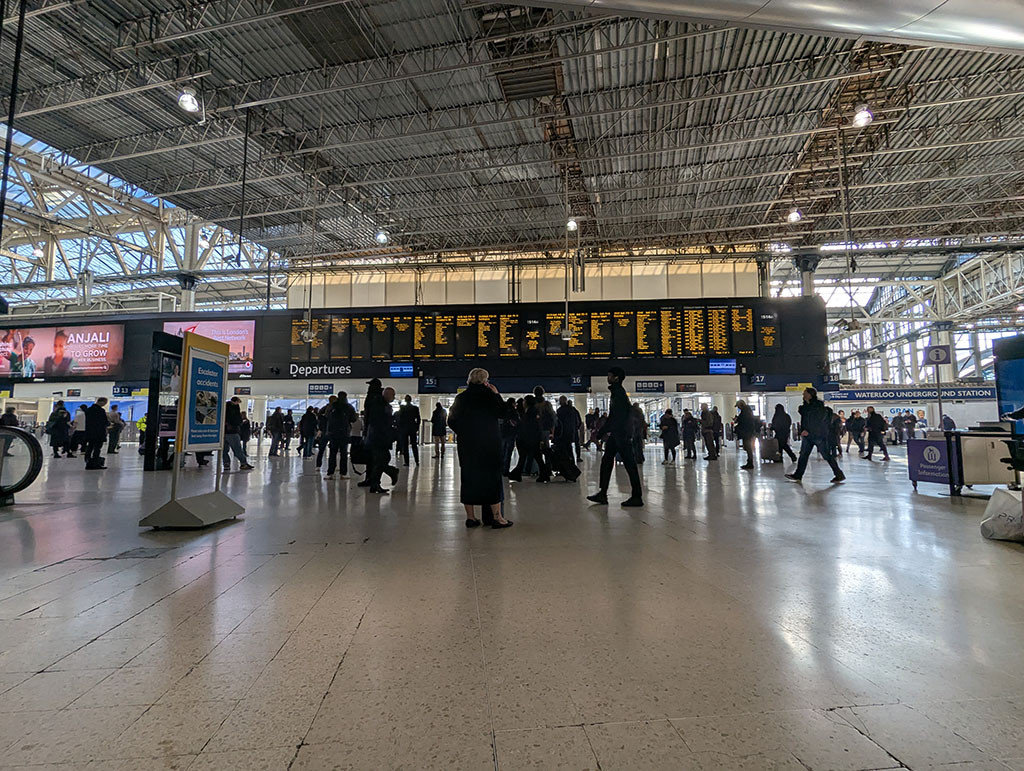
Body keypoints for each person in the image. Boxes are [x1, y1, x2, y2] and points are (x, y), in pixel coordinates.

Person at [448, 368, 513, 528]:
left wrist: (464, 432)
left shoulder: (461, 398)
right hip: (489, 444)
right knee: (492, 479)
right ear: (486, 381)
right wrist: (497, 395)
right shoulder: (490, 397)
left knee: (468, 478)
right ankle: (497, 517)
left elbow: (451, 420)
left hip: (468, 445)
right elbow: (504, 413)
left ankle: (471, 517)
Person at [587, 367, 643, 507]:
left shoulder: (618, 393)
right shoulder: (617, 393)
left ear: (616, 378)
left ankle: (637, 496)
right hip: (618, 434)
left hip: (621, 434)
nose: (608, 377)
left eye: (610, 375)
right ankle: (603, 493)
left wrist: (603, 431)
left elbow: (616, 417)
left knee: (629, 464)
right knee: (607, 461)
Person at [785, 387, 845, 483]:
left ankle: (839, 474)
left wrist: (808, 431)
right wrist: (804, 430)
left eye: (805, 393)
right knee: (803, 455)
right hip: (808, 435)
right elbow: (806, 420)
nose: (803, 395)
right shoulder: (806, 407)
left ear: (810, 394)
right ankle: (798, 475)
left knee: (827, 456)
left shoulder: (818, 407)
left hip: (818, 435)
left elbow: (818, 422)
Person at [362, 379, 398, 494]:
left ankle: (375, 483)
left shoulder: (373, 401)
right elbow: (383, 423)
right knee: (381, 460)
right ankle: (389, 473)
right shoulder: (381, 405)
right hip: (380, 437)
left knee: (378, 460)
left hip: (374, 436)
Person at [508, 394, 550, 483]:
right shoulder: (533, 411)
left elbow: (530, 426)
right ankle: (543, 474)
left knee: (527, 457)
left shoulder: (530, 412)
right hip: (532, 438)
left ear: (527, 402)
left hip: (530, 439)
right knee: (534, 457)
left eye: (524, 401)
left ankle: (517, 474)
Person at [325, 391, 356, 479]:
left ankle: (330, 473)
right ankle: (343, 473)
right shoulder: (349, 407)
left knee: (332, 453)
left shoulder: (332, 406)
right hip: (344, 433)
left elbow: (326, 416)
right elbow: (353, 419)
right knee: (343, 453)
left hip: (333, 433)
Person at [552, 395, 582, 482]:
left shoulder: (560, 411)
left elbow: (558, 424)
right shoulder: (573, 410)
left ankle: (565, 470)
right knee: (570, 451)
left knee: (563, 453)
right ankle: (572, 469)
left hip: (562, 435)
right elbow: (578, 421)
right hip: (571, 433)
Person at [222, 396, 254, 471]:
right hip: (232, 431)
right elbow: (236, 420)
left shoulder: (224, 407)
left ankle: (226, 464)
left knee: (224, 449)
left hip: (223, 432)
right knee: (237, 449)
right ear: (236, 401)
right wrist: (240, 423)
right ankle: (243, 463)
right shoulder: (234, 408)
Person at [533, 386, 557, 468]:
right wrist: (552, 431)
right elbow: (553, 418)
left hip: (534, 430)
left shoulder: (532, 404)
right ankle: (548, 467)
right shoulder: (547, 404)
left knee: (535, 449)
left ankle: (536, 468)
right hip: (545, 430)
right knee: (546, 449)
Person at [84, 397, 109, 470]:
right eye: (104, 403)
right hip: (99, 432)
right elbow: (104, 421)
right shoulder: (101, 411)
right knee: (97, 448)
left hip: (90, 432)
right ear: (101, 402)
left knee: (90, 447)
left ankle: (88, 462)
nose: (104, 405)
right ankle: (95, 463)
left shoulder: (88, 410)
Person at [397, 395, 421, 467]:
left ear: (405, 400)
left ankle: (407, 462)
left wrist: (400, 427)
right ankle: (417, 461)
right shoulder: (415, 408)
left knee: (405, 445)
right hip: (412, 427)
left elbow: (400, 419)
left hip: (404, 428)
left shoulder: (403, 408)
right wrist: (416, 427)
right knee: (414, 445)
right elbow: (418, 419)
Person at [734, 400, 758, 470]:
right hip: (749, 432)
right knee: (747, 447)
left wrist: (738, 421)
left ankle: (750, 463)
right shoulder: (747, 411)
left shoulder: (745, 412)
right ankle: (749, 462)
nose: (738, 408)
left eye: (738, 406)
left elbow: (744, 422)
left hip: (747, 432)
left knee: (748, 447)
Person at [500, 398, 519, 476]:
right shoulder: (514, 413)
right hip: (510, 434)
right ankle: (505, 470)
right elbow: (515, 424)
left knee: (502, 452)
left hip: (502, 434)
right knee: (508, 454)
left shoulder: (503, 412)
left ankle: (501, 469)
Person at [315, 396, 335, 469]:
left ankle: (318, 465)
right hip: (332, 432)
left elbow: (319, 417)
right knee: (333, 451)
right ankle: (332, 467)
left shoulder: (324, 408)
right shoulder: (335, 409)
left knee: (321, 450)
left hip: (324, 431)